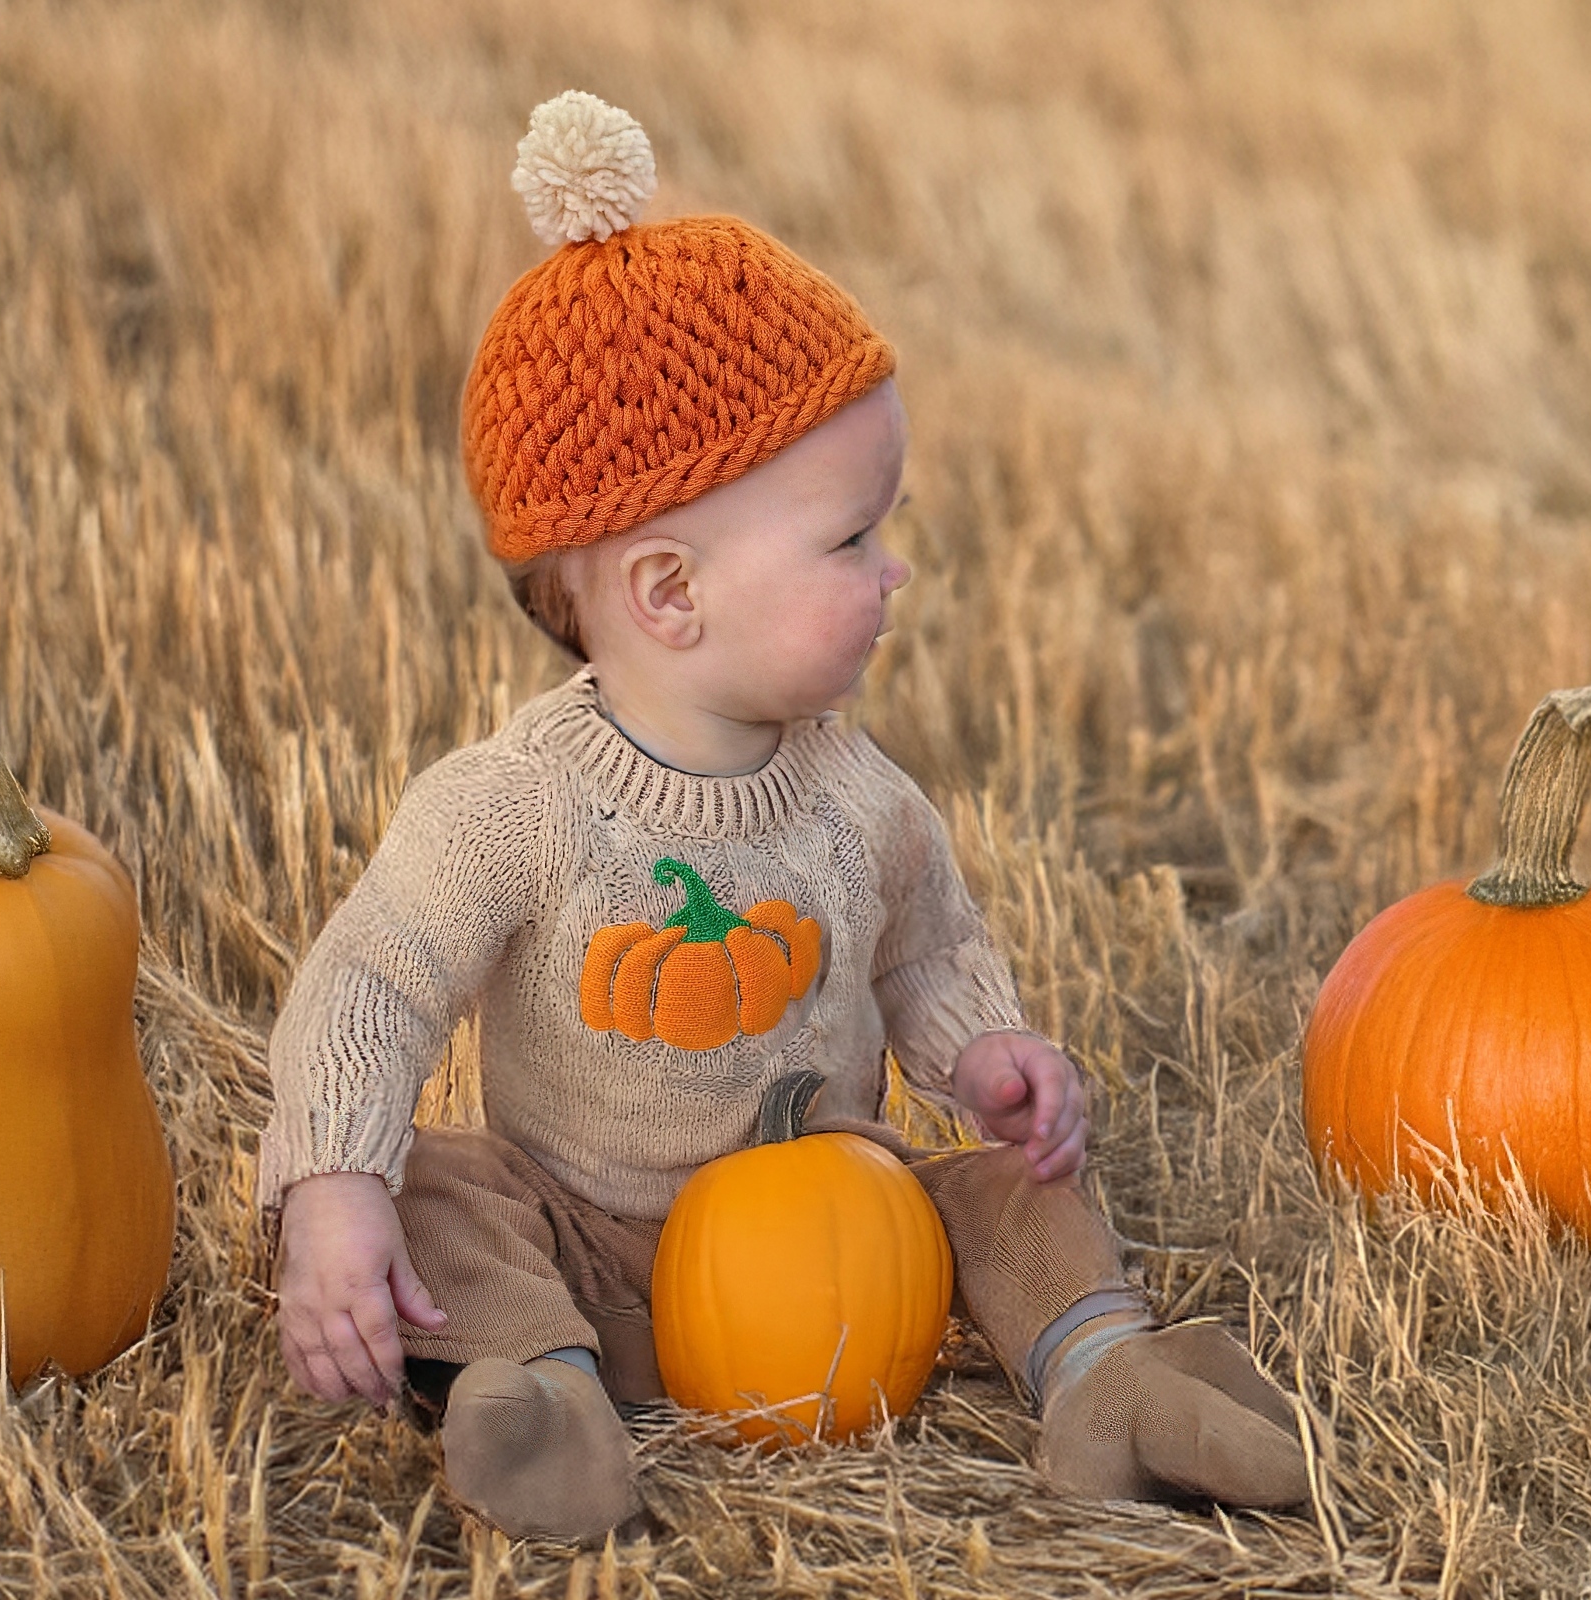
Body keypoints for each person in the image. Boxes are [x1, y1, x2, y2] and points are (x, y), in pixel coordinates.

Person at [257, 92, 1312, 1543]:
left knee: (1017, 1189)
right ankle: (546, 1392)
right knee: (433, 1188)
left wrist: (988, 1054)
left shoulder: (854, 794)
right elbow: (371, 981)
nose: (896, 572)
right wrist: (333, 1189)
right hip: (588, 1244)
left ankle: (1108, 1380)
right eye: (853, 537)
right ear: (671, 595)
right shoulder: (516, 806)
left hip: (841, 1243)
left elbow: (928, 946)